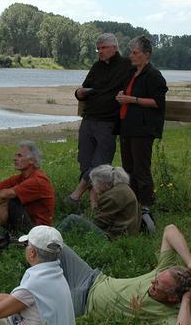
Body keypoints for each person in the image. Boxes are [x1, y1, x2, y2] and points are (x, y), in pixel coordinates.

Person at [58, 224, 191, 325]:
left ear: (172, 298)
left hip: (83, 304)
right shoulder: (165, 272)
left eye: (157, 286)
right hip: (92, 278)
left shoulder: (166, 314)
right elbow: (170, 230)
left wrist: (187, 299)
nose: (153, 281)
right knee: (50, 243)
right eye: (156, 279)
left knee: (40, 300)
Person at [66, 33, 133, 209]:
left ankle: (75, 195)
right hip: (89, 118)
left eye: (103, 48)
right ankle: (94, 204)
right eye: (98, 48)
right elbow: (83, 88)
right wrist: (78, 93)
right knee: (85, 161)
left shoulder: (127, 66)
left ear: (114, 47)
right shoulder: (97, 66)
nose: (100, 52)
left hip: (108, 121)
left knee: (100, 164)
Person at [116, 35, 168, 232]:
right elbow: (126, 93)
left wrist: (132, 99)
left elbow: (157, 102)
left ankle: (146, 208)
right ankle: (133, 206)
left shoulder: (154, 75)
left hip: (143, 129)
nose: (132, 55)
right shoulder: (132, 72)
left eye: (135, 53)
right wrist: (122, 96)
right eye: (131, 52)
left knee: (141, 169)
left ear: (146, 55)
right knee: (128, 168)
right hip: (128, 127)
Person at [0, 141, 55, 240]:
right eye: (16, 155)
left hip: (38, 231)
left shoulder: (37, 180)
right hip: (25, 220)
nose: (15, 159)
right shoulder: (21, 177)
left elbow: (5, 195)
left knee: (5, 198)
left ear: (32, 160)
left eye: (19, 156)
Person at [57, 165, 139, 240]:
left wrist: (91, 206)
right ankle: (53, 232)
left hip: (113, 238)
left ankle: (52, 237)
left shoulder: (111, 197)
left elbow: (98, 223)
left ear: (103, 183)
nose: (93, 187)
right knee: (78, 218)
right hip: (126, 235)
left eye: (94, 183)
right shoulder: (121, 188)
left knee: (73, 219)